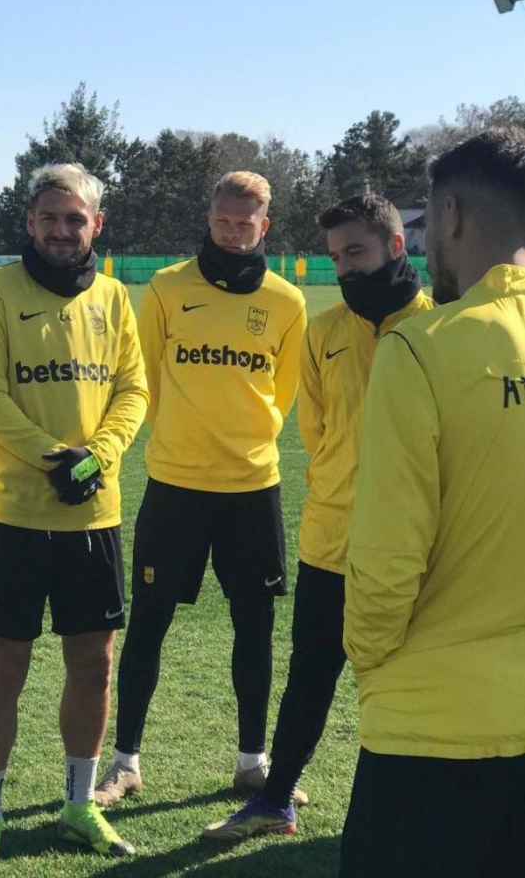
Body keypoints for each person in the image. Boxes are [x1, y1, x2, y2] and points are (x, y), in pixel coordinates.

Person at [203, 194, 432, 841]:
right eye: (335, 257)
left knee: (408, 684)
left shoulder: (438, 326)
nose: (345, 268)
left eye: (355, 252)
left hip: (416, 548)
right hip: (332, 540)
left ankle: (409, 816)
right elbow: (317, 433)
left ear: (395, 246)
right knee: (309, 675)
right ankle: (275, 801)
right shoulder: (324, 331)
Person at [337, 129, 525, 877]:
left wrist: (370, 660)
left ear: (450, 215)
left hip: (433, 726)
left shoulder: (422, 348)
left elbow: (387, 560)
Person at [0, 163, 149, 876]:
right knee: (4, 664)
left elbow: (133, 389)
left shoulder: (115, 297)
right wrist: (54, 459)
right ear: (30, 222)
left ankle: (77, 805)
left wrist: (96, 458)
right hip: (15, 513)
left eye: (75, 219)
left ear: (96, 224)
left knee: (93, 665)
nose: (61, 231)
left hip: (94, 514)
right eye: (49, 218)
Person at [95, 171, 307, 810]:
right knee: (148, 623)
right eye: (223, 222)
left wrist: (244, 440)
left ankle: (252, 763)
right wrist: (186, 440)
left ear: (265, 226)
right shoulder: (166, 288)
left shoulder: (288, 302)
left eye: (245, 224)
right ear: (209, 219)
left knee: (256, 627)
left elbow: (284, 392)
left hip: (253, 487)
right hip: (176, 485)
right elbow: (147, 380)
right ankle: (126, 763)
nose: (233, 233)